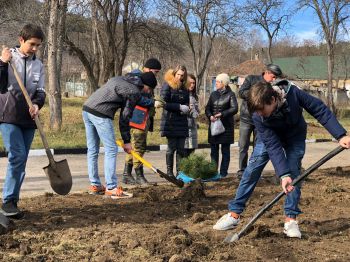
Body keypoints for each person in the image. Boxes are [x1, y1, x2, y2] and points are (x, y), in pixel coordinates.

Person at [213, 80, 350, 238]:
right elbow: (273, 146)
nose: (260, 115)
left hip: (294, 136)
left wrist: (340, 135)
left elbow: (319, 109)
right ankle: (234, 214)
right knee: (252, 169)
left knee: (294, 173)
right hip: (270, 138)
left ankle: (290, 220)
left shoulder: (293, 93)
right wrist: (282, 174)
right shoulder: (258, 114)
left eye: (263, 112)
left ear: (272, 100)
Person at [82, 72, 157, 197]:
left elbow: (137, 100)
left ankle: (95, 185)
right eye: (149, 89)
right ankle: (111, 187)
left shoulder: (123, 79)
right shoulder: (133, 91)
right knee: (111, 149)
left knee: (92, 150)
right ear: (146, 86)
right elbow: (124, 118)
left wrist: (152, 103)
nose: (148, 92)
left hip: (87, 108)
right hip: (101, 113)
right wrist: (127, 141)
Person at [0, 24, 46, 218]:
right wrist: (2, 63)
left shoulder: (39, 66)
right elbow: (1, 87)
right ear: (21, 40)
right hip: (8, 115)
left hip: (29, 119)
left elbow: (41, 92)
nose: (35, 48)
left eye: (38, 45)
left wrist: (36, 105)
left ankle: (13, 203)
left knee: (21, 160)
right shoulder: (8, 57)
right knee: (17, 155)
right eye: (32, 44)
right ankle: (8, 200)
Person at [236, 64, 283, 179]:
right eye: (273, 76)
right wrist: (256, 95)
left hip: (261, 121)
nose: (274, 79)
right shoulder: (251, 79)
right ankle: (242, 171)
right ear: (266, 73)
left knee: (258, 147)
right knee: (243, 146)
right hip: (247, 119)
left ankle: (253, 172)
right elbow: (241, 92)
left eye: (276, 77)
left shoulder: (272, 87)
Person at [122, 58, 162, 185]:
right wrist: (152, 102)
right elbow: (138, 98)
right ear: (148, 69)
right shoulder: (138, 79)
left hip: (142, 118)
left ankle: (127, 174)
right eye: (155, 72)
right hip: (137, 118)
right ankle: (139, 176)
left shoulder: (144, 79)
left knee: (134, 147)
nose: (156, 75)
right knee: (138, 147)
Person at [205, 73, 238, 177]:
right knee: (214, 151)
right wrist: (210, 115)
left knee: (225, 152)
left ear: (223, 83)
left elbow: (234, 108)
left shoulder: (231, 94)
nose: (216, 83)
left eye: (218, 82)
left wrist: (222, 114)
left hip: (226, 128)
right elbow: (207, 108)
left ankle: (223, 173)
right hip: (214, 126)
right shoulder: (213, 94)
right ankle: (213, 173)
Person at [160, 65, 190, 177]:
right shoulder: (167, 85)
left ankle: (179, 172)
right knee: (171, 148)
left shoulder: (185, 88)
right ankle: (169, 172)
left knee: (181, 149)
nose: (180, 77)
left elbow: (186, 101)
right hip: (170, 121)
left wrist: (186, 108)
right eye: (178, 74)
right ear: (174, 74)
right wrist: (179, 107)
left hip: (182, 121)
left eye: (182, 75)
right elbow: (163, 103)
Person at [184, 74, 200, 155]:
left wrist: (195, 111)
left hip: (193, 127)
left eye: (194, 83)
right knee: (184, 152)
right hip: (184, 127)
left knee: (192, 152)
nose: (192, 85)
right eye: (190, 83)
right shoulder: (182, 95)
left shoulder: (195, 96)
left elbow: (197, 112)